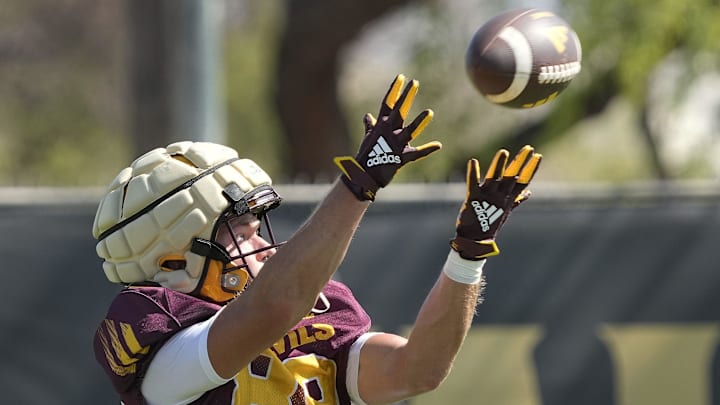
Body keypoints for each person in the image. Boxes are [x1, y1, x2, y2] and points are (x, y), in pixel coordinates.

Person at [92, 73, 542, 405]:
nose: (261, 246)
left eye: (256, 230)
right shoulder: (166, 358)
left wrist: (468, 255)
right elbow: (273, 309)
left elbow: (417, 370)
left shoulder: (316, 308)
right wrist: (358, 185)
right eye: (240, 235)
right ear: (173, 264)